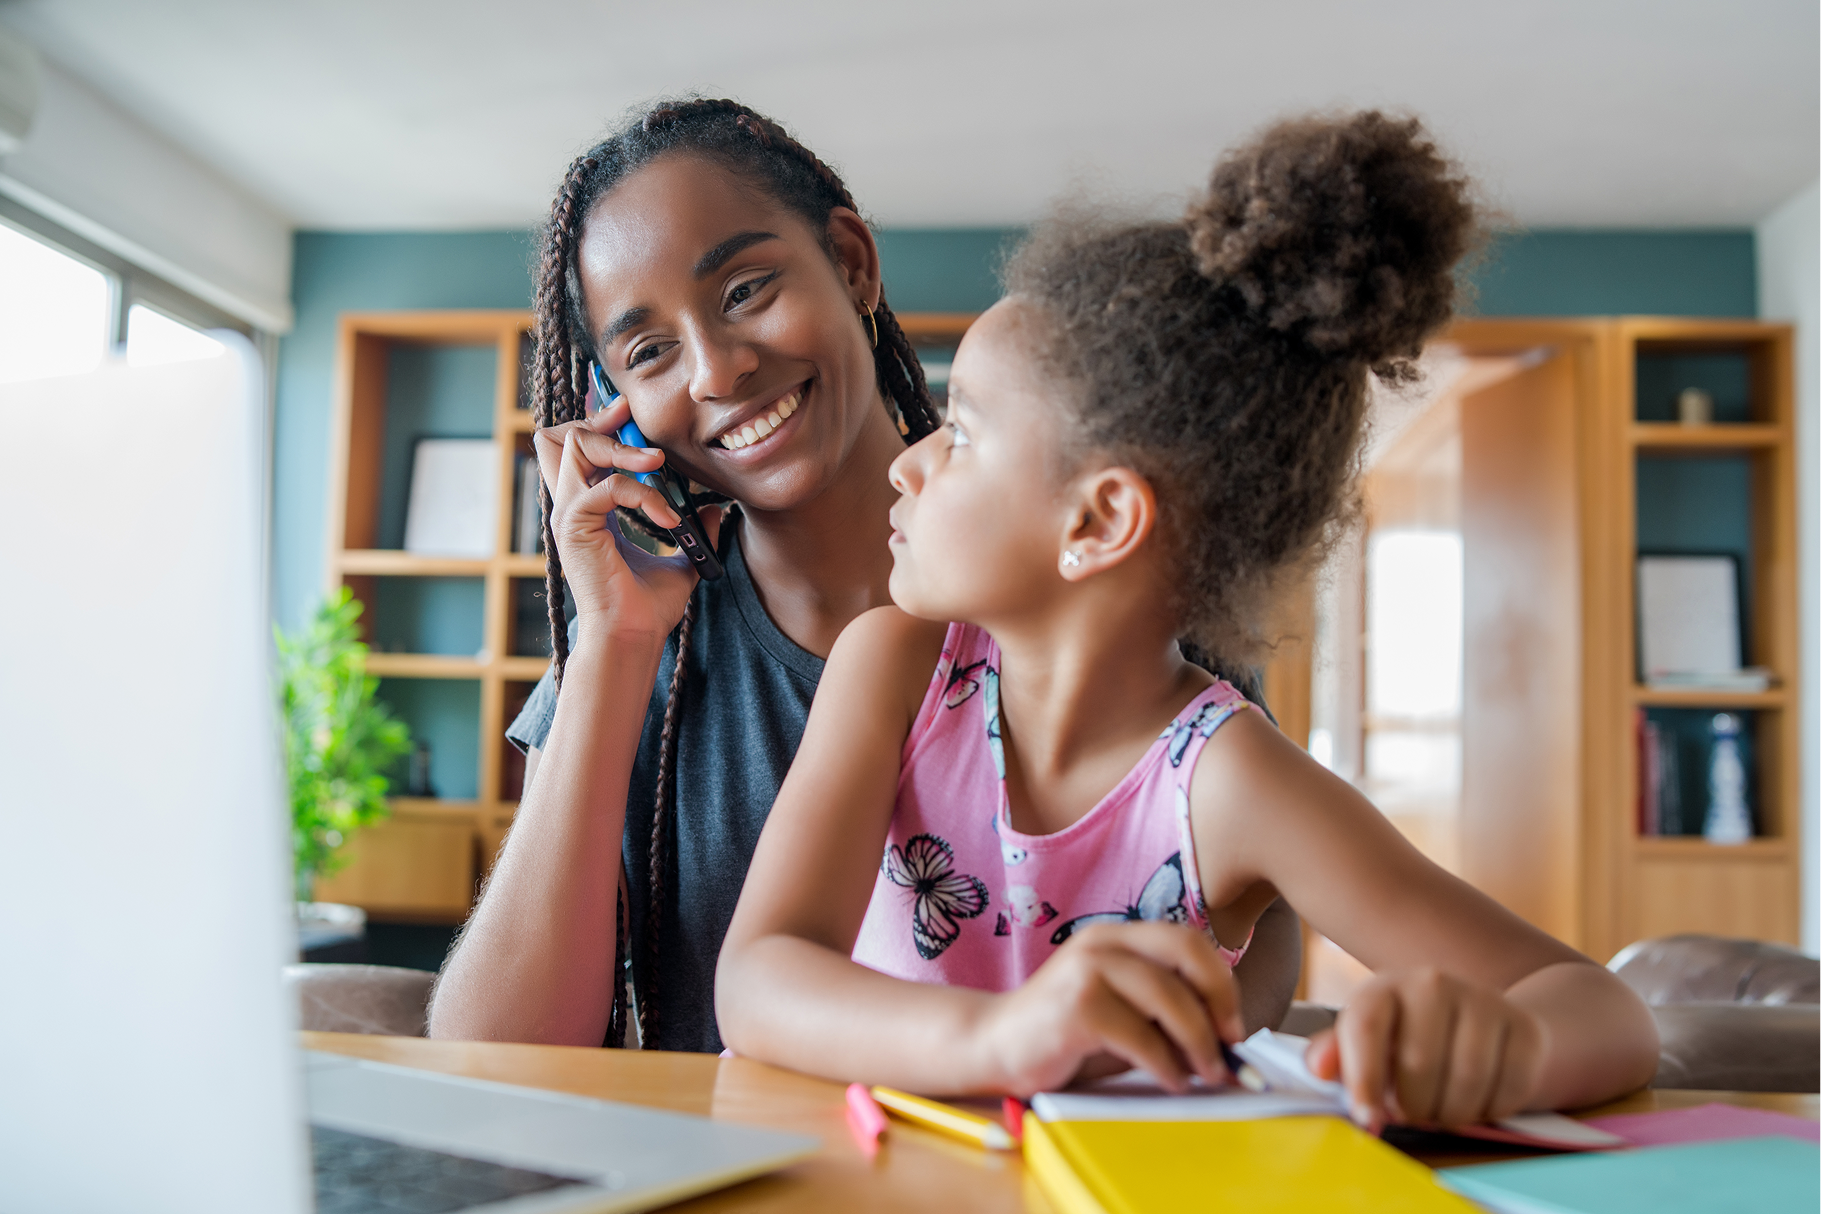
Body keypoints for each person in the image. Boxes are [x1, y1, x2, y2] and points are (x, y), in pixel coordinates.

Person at [715, 111, 1660, 1128]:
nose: (908, 461)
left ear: (1100, 520)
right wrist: (1005, 1040)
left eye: (965, 433)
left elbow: (1606, 1011)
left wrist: (1500, 1048)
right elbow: (759, 980)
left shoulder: (1233, 782)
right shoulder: (894, 668)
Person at [427, 98, 1303, 1053]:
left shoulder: (1109, 574)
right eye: (649, 352)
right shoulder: (637, 653)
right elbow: (494, 1057)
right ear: (618, 409)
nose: (716, 370)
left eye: (744, 289)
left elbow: (1259, 912)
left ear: (851, 262)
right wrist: (612, 648)